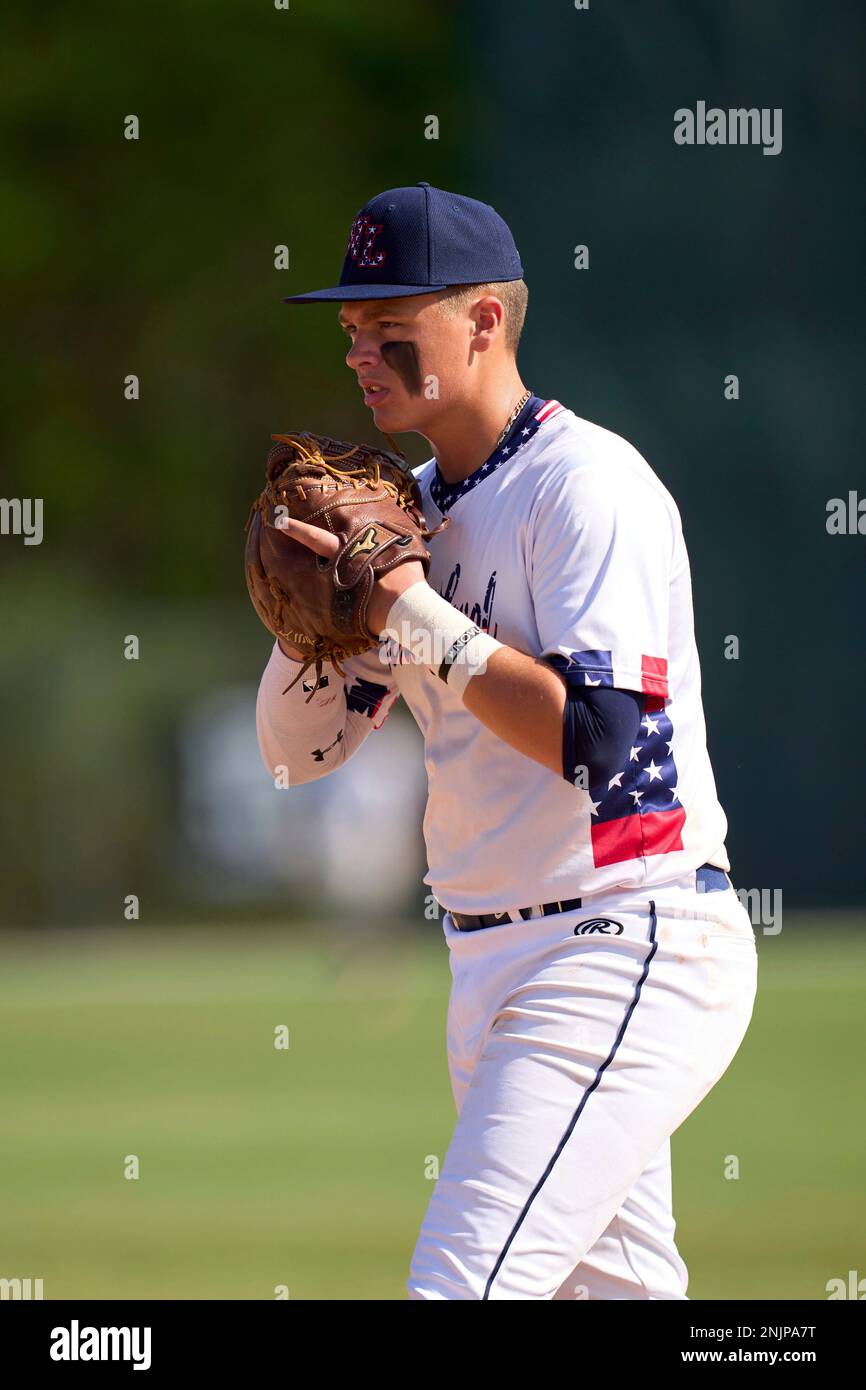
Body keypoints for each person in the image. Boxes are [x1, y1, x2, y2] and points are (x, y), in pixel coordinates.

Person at [255, 182, 758, 1300]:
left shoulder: (586, 485)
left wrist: (404, 612)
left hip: (622, 941)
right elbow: (292, 756)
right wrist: (316, 633)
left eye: (390, 322)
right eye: (348, 328)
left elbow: (601, 742)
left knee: (463, 1285)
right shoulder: (406, 510)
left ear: (483, 322)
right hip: (488, 959)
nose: (359, 350)